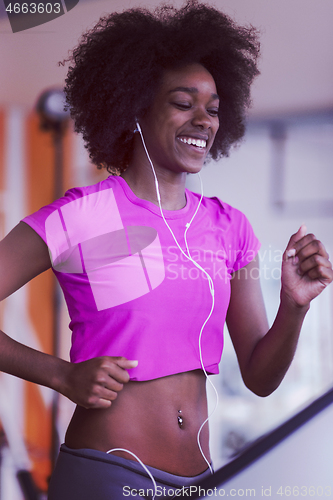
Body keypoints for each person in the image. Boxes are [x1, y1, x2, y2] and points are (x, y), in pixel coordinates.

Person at [0, 1, 332, 498]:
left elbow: (261, 378)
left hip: (201, 482)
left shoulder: (230, 227)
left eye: (214, 109)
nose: (204, 120)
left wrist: (294, 307)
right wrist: (61, 375)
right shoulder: (83, 215)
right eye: (183, 102)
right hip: (107, 476)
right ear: (135, 107)